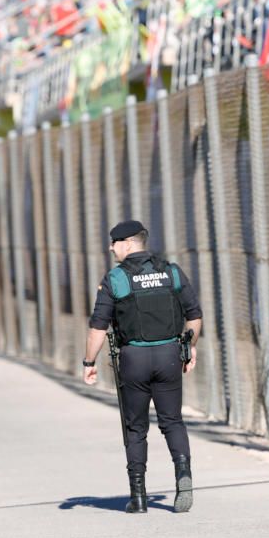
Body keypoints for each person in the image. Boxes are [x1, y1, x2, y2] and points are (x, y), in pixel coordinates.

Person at [82, 220, 203, 514]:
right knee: (172, 421)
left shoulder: (115, 279)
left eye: (114, 243)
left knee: (135, 427)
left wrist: (89, 362)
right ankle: (183, 474)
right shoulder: (171, 272)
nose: (111, 248)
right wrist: (190, 347)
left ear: (128, 244)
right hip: (168, 355)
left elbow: (98, 327)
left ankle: (138, 497)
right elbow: (194, 315)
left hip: (133, 358)